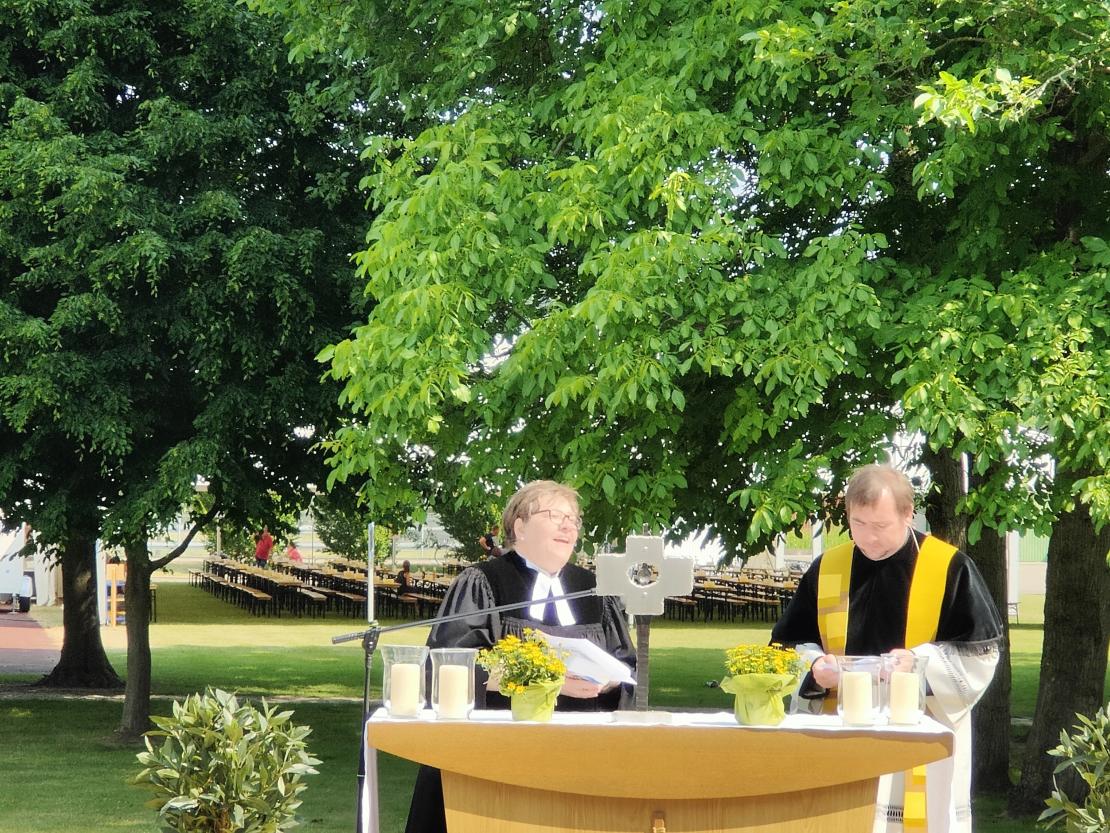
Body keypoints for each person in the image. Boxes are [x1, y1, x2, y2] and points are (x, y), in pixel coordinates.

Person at [771, 464, 1003, 833]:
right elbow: (786, 646)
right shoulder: (829, 567)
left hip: (918, 739)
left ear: (908, 515)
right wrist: (815, 670)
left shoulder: (948, 567)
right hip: (840, 734)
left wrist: (920, 664)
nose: (868, 538)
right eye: (858, 524)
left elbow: (981, 655)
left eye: (879, 526)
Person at [404, 480, 636, 833]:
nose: (568, 525)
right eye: (554, 515)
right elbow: (449, 667)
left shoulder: (596, 590)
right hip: (497, 761)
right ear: (520, 525)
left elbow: (627, 666)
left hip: (582, 759)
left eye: (573, 519)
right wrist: (548, 681)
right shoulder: (484, 582)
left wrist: (608, 681)